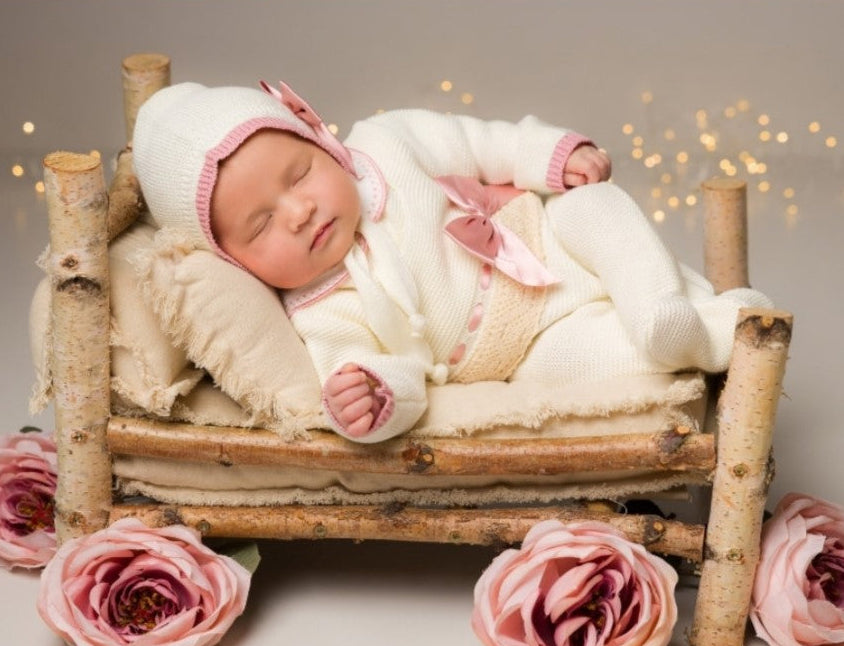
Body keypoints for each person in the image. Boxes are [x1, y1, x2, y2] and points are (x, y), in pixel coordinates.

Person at [133, 81, 772, 443]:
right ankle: (712, 329)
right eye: (261, 225)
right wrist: (372, 397)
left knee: (594, 209)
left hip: (549, 240)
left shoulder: (386, 142)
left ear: (320, 141)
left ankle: (657, 305)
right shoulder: (321, 311)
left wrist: (552, 155)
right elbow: (387, 376)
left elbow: (478, 140)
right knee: (595, 367)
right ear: (235, 263)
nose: (298, 212)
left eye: (299, 174)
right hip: (527, 351)